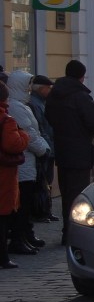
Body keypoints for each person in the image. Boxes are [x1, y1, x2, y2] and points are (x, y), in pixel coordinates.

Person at [45, 60, 94, 245]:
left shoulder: (55, 95)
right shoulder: (80, 96)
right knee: (78, 194)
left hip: (62, 149)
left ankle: (66, 231)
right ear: (81, 76)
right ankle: (75, 233)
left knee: (66, 193)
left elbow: (49, 117)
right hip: (79, 151)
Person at [5, 71, 51, 253]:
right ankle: (19, 239)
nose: (30, 88)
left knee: (26, 204)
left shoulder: (22, 105)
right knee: (21, 206)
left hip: (28, 163)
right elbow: (29, 134)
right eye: (28, 84)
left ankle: (24, 236)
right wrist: (43, 148)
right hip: (24, 163)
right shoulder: (15, 107)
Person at [0, 81, 30, 269]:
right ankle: (3, 257)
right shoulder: (6, 119)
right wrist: (24, 136)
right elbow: (14, 144)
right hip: (4, 174)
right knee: (2, 218)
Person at [28, 75, 59, 222]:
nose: (50, 91)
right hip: (45, 146)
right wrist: (46, 145)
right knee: (43, 181)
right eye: (48, 88)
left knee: (47, 180)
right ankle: (41, 210)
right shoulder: (35, 104)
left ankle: (46, 209)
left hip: (49, 145)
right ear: (41, 89)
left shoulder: (42, 102)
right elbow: (40, 127)